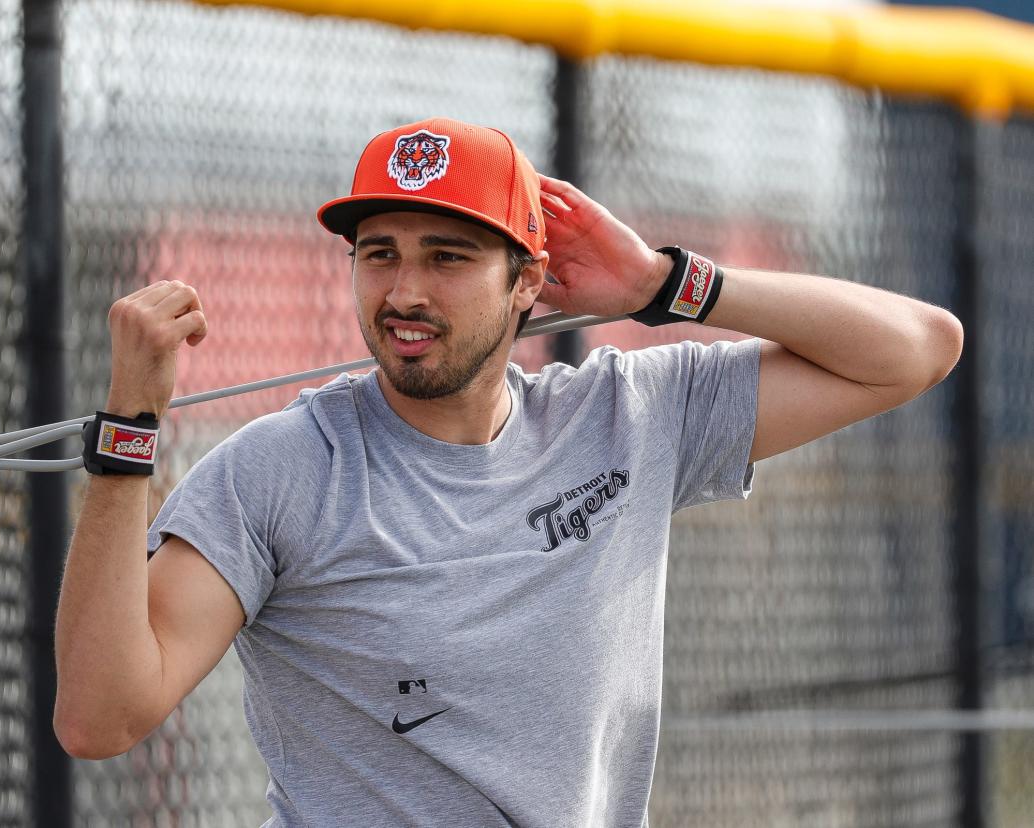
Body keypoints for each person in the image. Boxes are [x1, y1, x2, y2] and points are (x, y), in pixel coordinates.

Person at [52, 117, 963, 825]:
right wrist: (129, 430)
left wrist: (665, 285)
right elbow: (100, 718)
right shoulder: (285, 467)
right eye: (380, 254)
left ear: (529, 280)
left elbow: (917, 349)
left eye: (447, 258)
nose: (404, 292)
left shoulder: (626, 414)